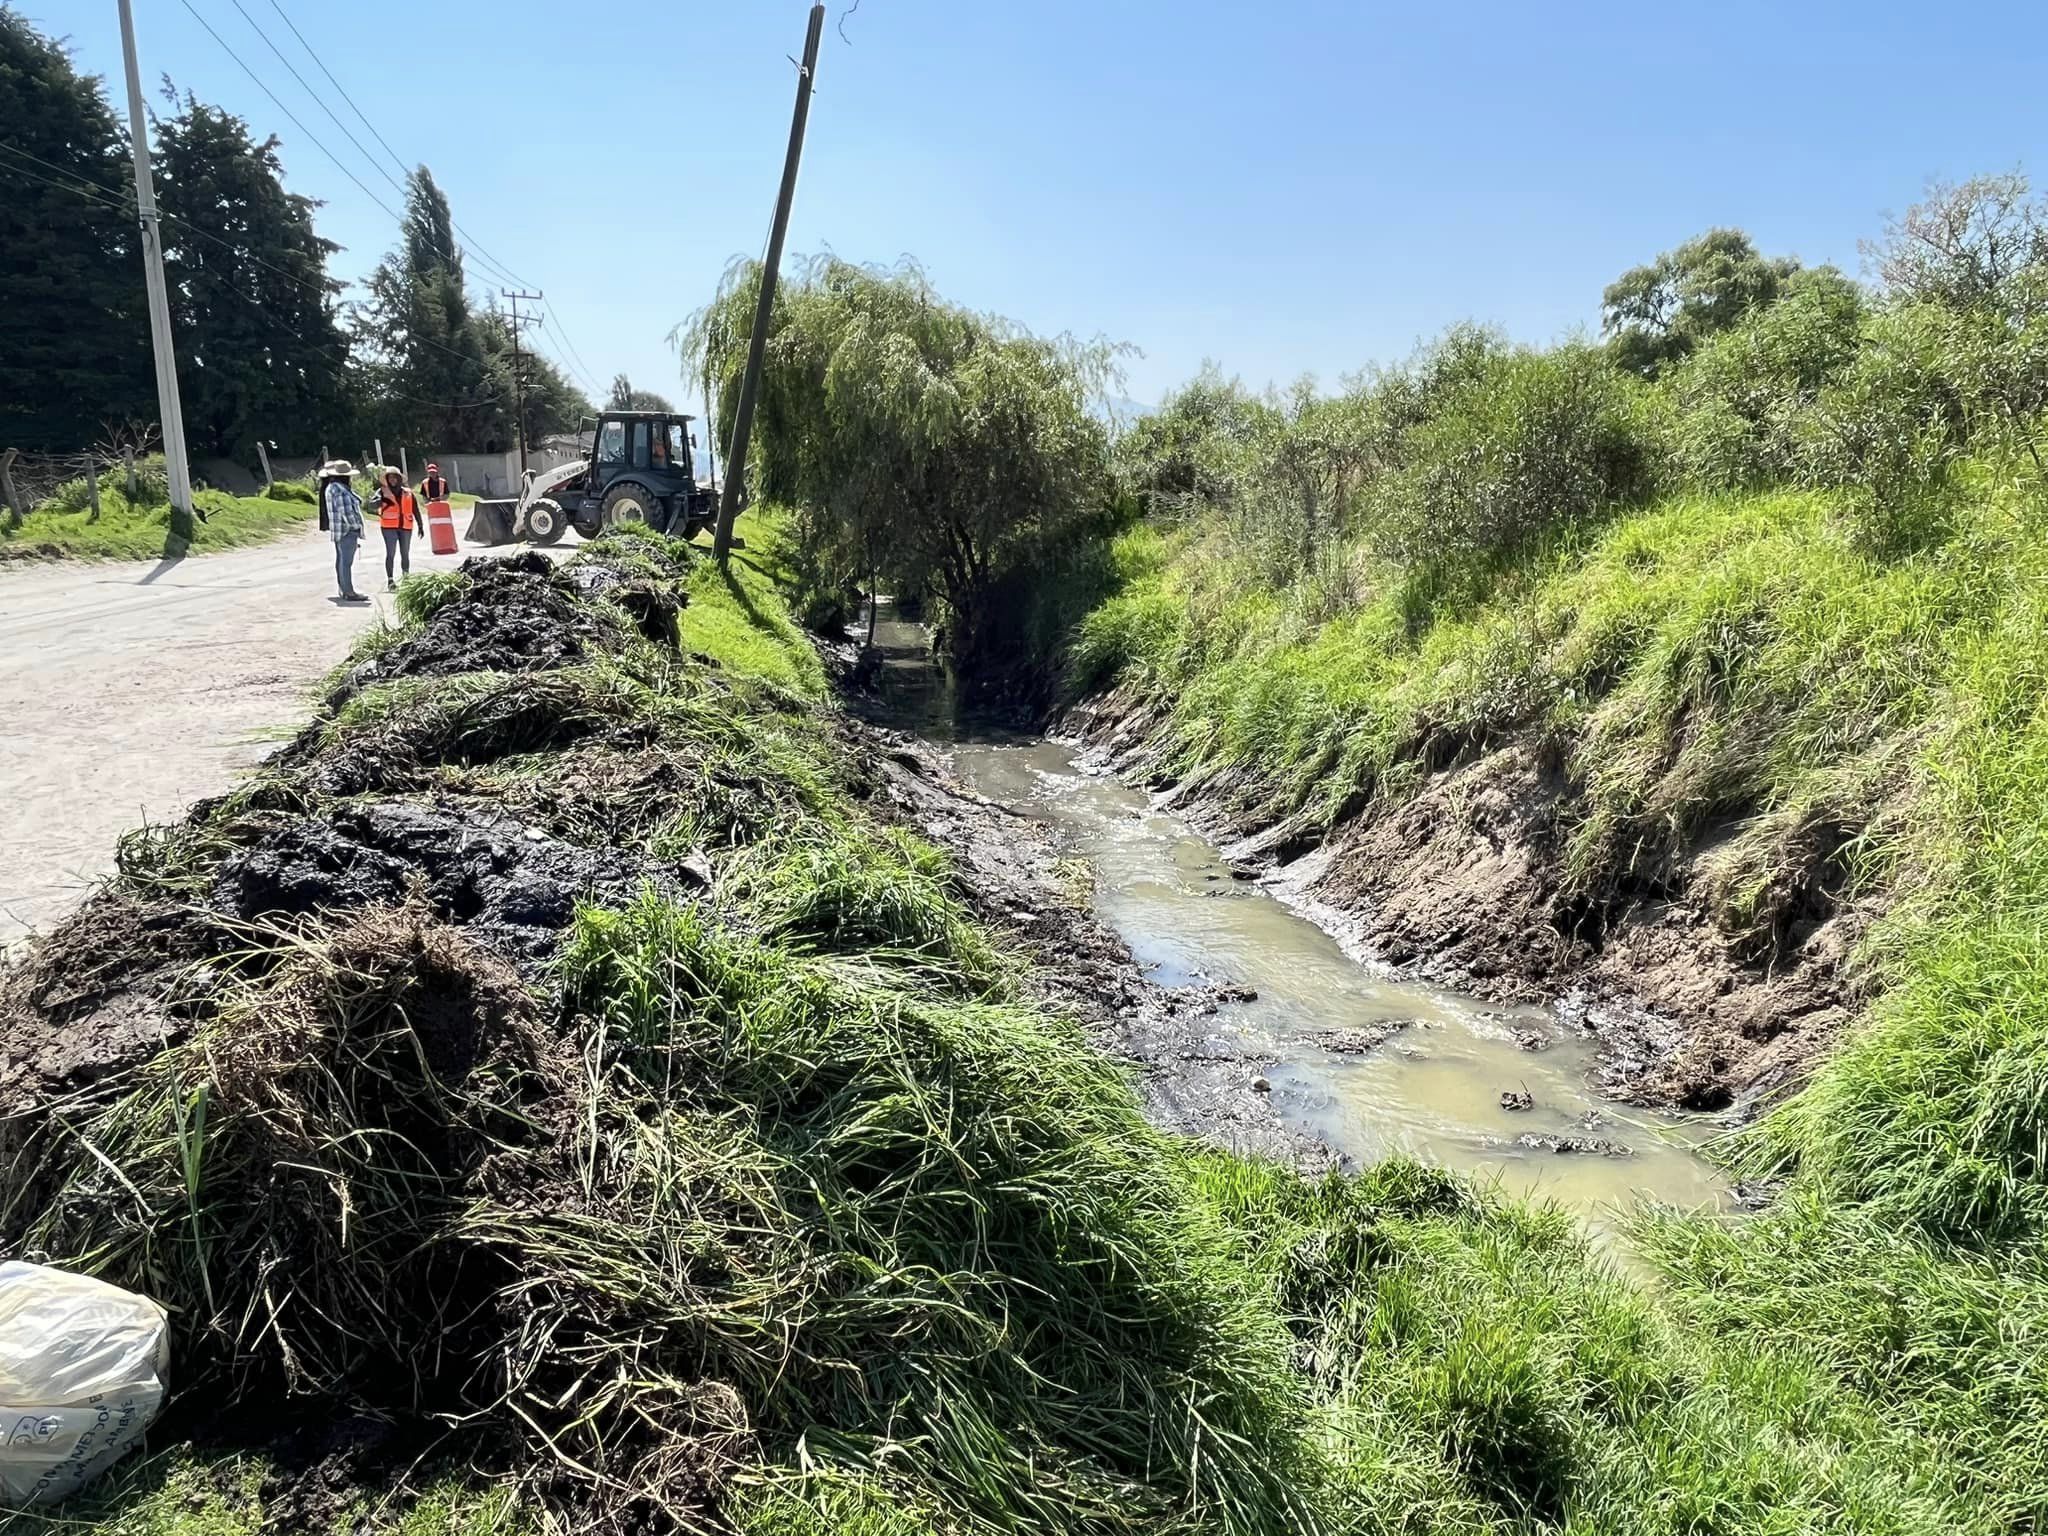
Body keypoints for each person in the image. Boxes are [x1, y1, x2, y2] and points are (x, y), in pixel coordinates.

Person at [320, 461, 368, 603]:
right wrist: (355, 526)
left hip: (339, 530)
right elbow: (346, 512)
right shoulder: (339, 490)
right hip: (346, 531)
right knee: (346, 562)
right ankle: (348, 591)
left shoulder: (332, 487)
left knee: (341, 561)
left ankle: (344, 589)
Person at [373, 466, 421, 590]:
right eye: (390, 478)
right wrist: (381, 500)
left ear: (399, 479)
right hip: (389, 527)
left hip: (406, 526)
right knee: (391, 553)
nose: (392, 480)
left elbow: (415, 509)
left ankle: (406, 579)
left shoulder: (408, 493)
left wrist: (421, 525)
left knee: (405, 554)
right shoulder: (382, 491)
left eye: (395, 478)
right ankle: (390, 581)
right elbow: (371, 504)